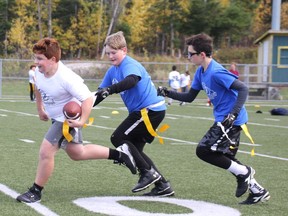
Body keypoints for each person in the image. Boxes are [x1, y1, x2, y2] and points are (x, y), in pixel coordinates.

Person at [16, 37, 136, 203]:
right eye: (35, 58)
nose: (36, 63)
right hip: (55, 116)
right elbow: (38, 87)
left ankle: (35, 191)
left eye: (40, 59)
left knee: (46, 151)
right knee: (77, 153)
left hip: (67, 119)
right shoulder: (39, 71)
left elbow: (87, 98)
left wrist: (81, 121)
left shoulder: (67, 77)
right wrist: (40, 109)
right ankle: (120, 155)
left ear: (52, 59)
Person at [157, 33, 270, 205]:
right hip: (224, 120)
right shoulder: (201, 72)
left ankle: (246, 173)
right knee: (225, 158)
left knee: (203, 150)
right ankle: (257, 190)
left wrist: (233, 114)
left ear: (202, 54)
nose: (188, 57)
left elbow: (243, 89)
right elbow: (189, 97)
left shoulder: (216, 72)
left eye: (190, 54)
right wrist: (166, 92)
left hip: (231, 121)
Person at [93, 31, 174, 197]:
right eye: (108, 53)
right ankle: (162, 185)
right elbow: (100, 93)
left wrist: (111, 89)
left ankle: (147, 173)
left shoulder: (129, 64)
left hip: (150, 110)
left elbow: (131, 81)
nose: (110, 56)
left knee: (118, 138)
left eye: (114, 52)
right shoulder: (112, 70)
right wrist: (84, 107)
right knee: (135, 151)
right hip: (144, 111)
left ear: (125, 50)